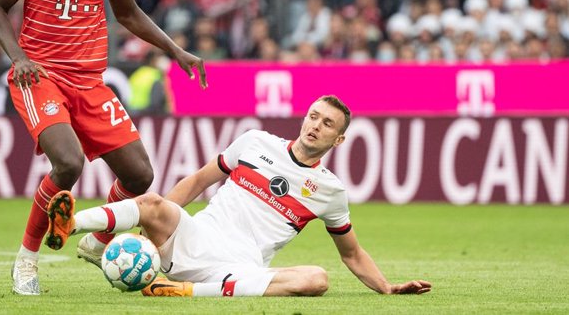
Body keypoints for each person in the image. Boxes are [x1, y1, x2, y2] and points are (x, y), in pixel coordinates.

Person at [0, 0, 207, 296]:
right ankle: (26, 263)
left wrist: (175, 50)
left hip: (90, 81)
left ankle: (96, 240)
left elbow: (128, 13)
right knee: (68, 163)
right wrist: (20, 59)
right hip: (41, 77)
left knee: (140, 174)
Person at [45, 95, 431, 298]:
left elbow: (351, 253)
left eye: (328, 123)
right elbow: (197, 181)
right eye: (314, 116)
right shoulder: (256, 142)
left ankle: (186, 293)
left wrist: (387, 287)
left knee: (317, 279)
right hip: (196, 237)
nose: (316, 125)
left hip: (238, 267)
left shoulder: (330, 191)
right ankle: (72, 224)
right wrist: (157, 228)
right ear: (304, 117)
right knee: (153, 203)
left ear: (339, 139)